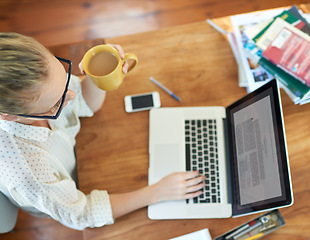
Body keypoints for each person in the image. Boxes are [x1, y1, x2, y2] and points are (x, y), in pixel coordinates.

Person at [0, 32, 205, 230]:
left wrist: (100, 76)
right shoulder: (29, 175)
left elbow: (85, 101)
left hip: (79, 156)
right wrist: (156, 193)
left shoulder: (42, 85)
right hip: (63, 196)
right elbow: (82, 214)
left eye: (64, 76)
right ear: (9, 116)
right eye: (56, 104)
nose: (71, 95)